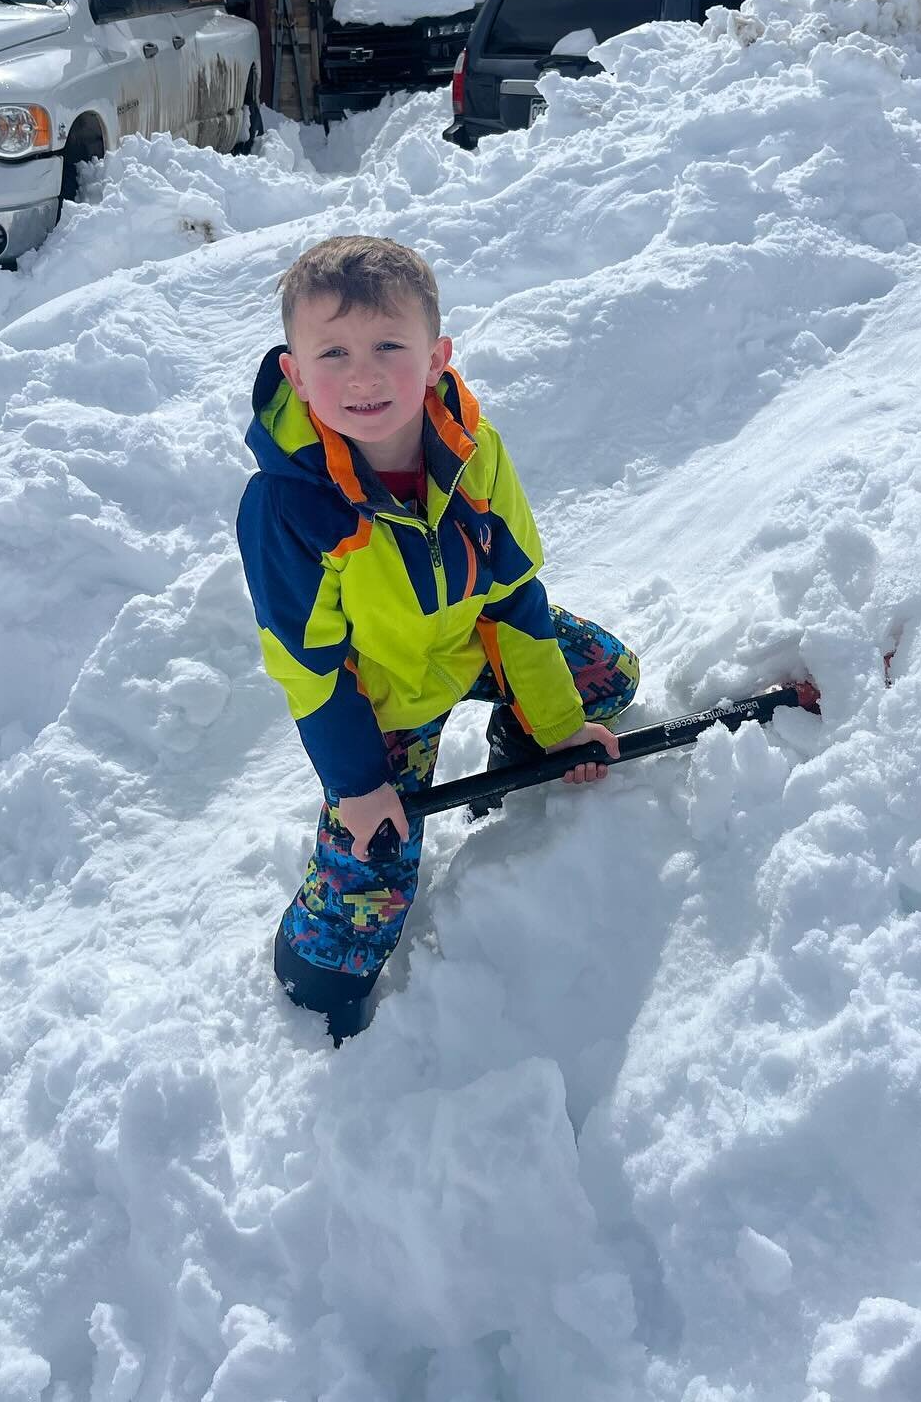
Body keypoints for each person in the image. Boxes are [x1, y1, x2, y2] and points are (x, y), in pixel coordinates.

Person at [236, 236, 641, 1043]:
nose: (363, 373)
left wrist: (559, 730)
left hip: (469, 647)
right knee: (367, 881)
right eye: (334, 351)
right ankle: (315, 979)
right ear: (294, 371)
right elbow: (311, 672)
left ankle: (517, 752)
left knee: (606, 673)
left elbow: (515, 596)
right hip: (377, 704)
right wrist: (358, 785)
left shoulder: (472, 451)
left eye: (390, 345)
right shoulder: (289, 508)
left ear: (435, 358)